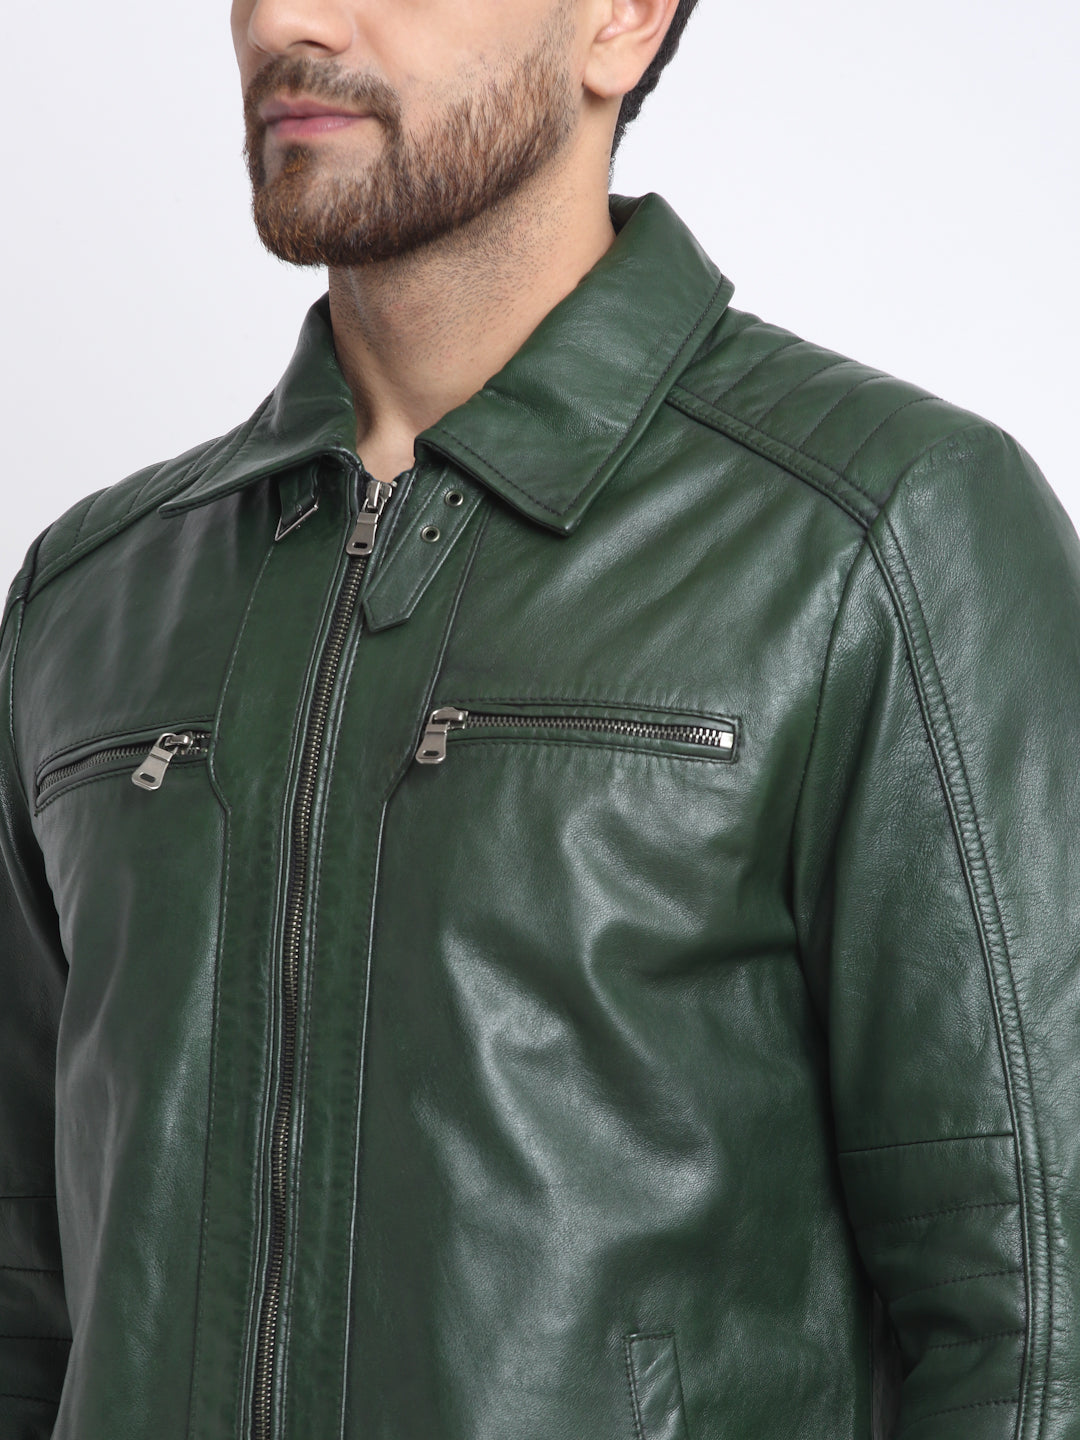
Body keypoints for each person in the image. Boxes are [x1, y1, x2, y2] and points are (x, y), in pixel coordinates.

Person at [1, 0, 1077, 1435]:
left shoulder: (877, 535)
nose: (282, 21)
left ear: (621, 21)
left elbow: (1036, 1330)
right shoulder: (91, 598)